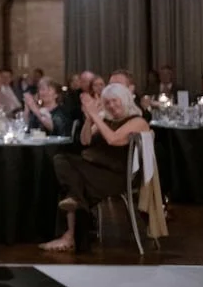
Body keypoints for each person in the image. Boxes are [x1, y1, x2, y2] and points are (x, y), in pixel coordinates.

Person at [40, 83, 149, 252]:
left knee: (67, 177)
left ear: (125, 100)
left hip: (117, 176)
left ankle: (70, 235)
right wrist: (90, 119)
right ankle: (73, 221)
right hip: (95, 170)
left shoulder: (138, 121)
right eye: (108, 103)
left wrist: (96, 116)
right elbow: (85, 141)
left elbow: (114, 139)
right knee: (63, 166)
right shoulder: (106, 119)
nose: (111, 106)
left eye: (115, 101)